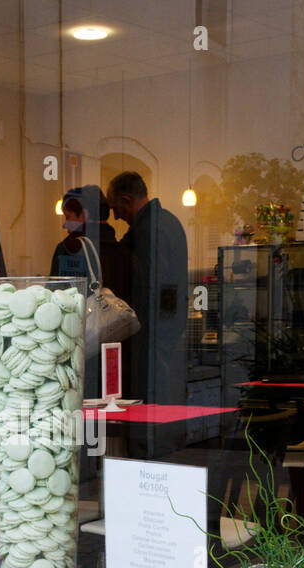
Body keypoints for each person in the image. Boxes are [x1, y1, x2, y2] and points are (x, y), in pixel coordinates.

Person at [106, 171, 189, 454]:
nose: (116, 217)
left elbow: (151, 288)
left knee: (147, 420)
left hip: (151, 339)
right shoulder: (171, 223)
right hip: (166, 336)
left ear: (127, 200)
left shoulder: (148, 230)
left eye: (116, 209)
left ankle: (148, 471)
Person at [48, 185, 129, 398]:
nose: (65, 224)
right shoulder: (123, 251)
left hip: (81, 349)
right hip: (117, 352)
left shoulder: (69, 250)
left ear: (85, 215)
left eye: (69, 216)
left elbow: (54, 302)